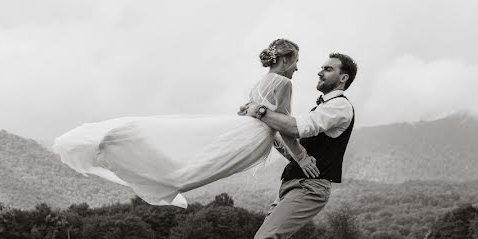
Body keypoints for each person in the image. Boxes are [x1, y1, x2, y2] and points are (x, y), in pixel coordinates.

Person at [53, 39, 318, 208]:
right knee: (190, 173)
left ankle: (135, 156)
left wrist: (290, 157)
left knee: (192, 165)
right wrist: (302, 157)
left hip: (248, 134)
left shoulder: (259, 83)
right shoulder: (284, 83)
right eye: (295, 62)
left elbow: (271, 127)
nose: (296, 68)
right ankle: (138, 161)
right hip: (250, 139)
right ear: (284, 60)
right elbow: (284, 126)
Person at [235, 52, 357, 239]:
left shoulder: (339, 106)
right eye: (321, 68)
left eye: (328, 69)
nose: (319, 72)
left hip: (311, 188)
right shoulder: (323, 106)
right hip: (291, 185)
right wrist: (266, 130)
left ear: (343, 78)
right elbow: (294, 149)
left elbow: (299, 127)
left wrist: (261, 110)